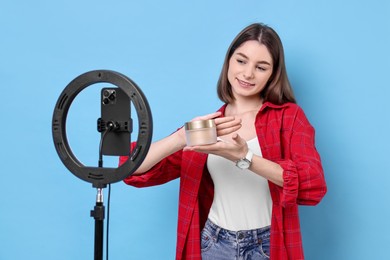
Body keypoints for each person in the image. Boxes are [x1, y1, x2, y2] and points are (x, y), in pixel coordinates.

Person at [119, 23, 327, 260]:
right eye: (241, 61)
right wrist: (181, 137)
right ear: (229, 61)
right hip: (213, 244)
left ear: (273, 74)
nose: (248, 74)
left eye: (261, 67)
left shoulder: (288, 118)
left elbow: (312, 185)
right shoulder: (211, 125)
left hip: (266, 245)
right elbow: (132, 168)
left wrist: (245, 157)